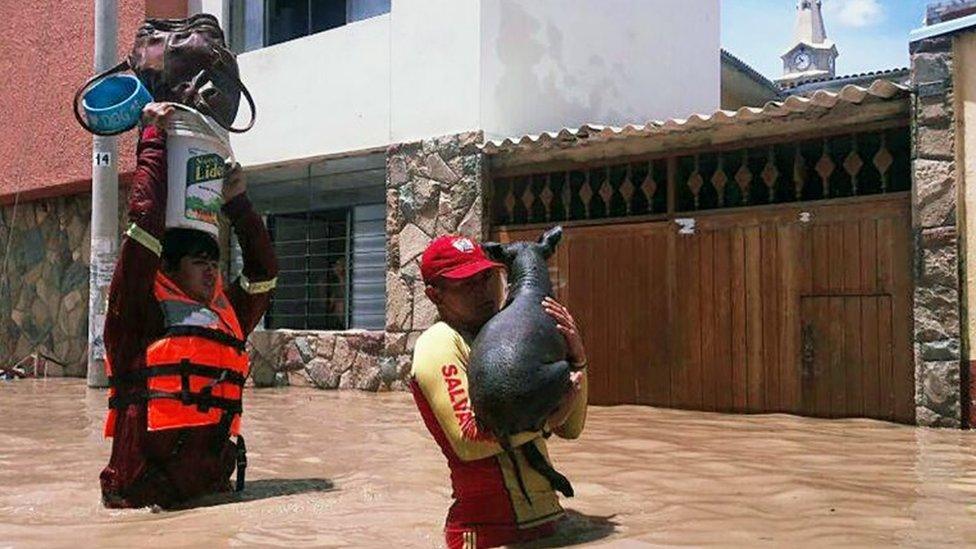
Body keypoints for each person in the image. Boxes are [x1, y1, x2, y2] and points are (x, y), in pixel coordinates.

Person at [99, 102, 278, 509]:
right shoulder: (138, 312)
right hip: (142, 506)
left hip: (210, 497)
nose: (212, 273)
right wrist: (153, 142)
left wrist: (239, 205)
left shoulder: (226, 316)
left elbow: (264, 273)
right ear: (167, 267)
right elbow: (143, 228)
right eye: (200, 264)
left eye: (215, 264)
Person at [410, 235, 589, 549]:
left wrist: (579, 359)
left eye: (488, 277)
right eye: (467, 283)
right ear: (434, 294)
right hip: (485, 536)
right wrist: (546, 423)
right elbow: (468, 443)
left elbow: (572, 429)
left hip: (551, 527)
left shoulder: (512, 339)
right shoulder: (438, 343)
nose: (484, 290)